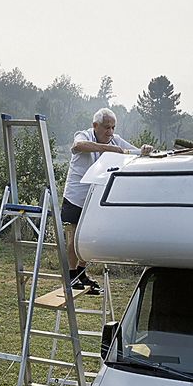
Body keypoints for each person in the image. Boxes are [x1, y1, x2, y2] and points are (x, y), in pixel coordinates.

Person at [62, 108, 152, 293]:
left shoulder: (114, 139)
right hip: (76, 196)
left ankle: (81, 273)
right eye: (106, 128)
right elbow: (78, 146)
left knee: (87, 237)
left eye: (113, 128)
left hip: (94, 197)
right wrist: (108, 149)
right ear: (95, 126)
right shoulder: (84, 135)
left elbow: (132, 151)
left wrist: (144, 150)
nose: (110, 132)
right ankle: (70, 276)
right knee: (74, 237)